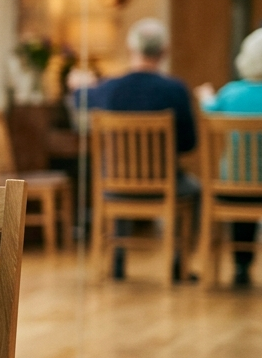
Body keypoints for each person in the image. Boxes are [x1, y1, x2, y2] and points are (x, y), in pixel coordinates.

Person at [75, 18, 199, 279]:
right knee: (197, 191)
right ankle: (180, 262)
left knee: (120, 173)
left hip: (114, 185)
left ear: (131, 49)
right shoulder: (175, 90)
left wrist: (77, 85)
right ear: (164, 51)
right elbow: (189, 145)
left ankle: (118, 260)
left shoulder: (109, 88)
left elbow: (79, 99)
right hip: (166, 185)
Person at [200, 26, 262, 287]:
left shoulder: (230, 92)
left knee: (242, 185)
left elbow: (210, 110)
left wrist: (204, 97)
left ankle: (241, 267)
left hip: (231, 187)